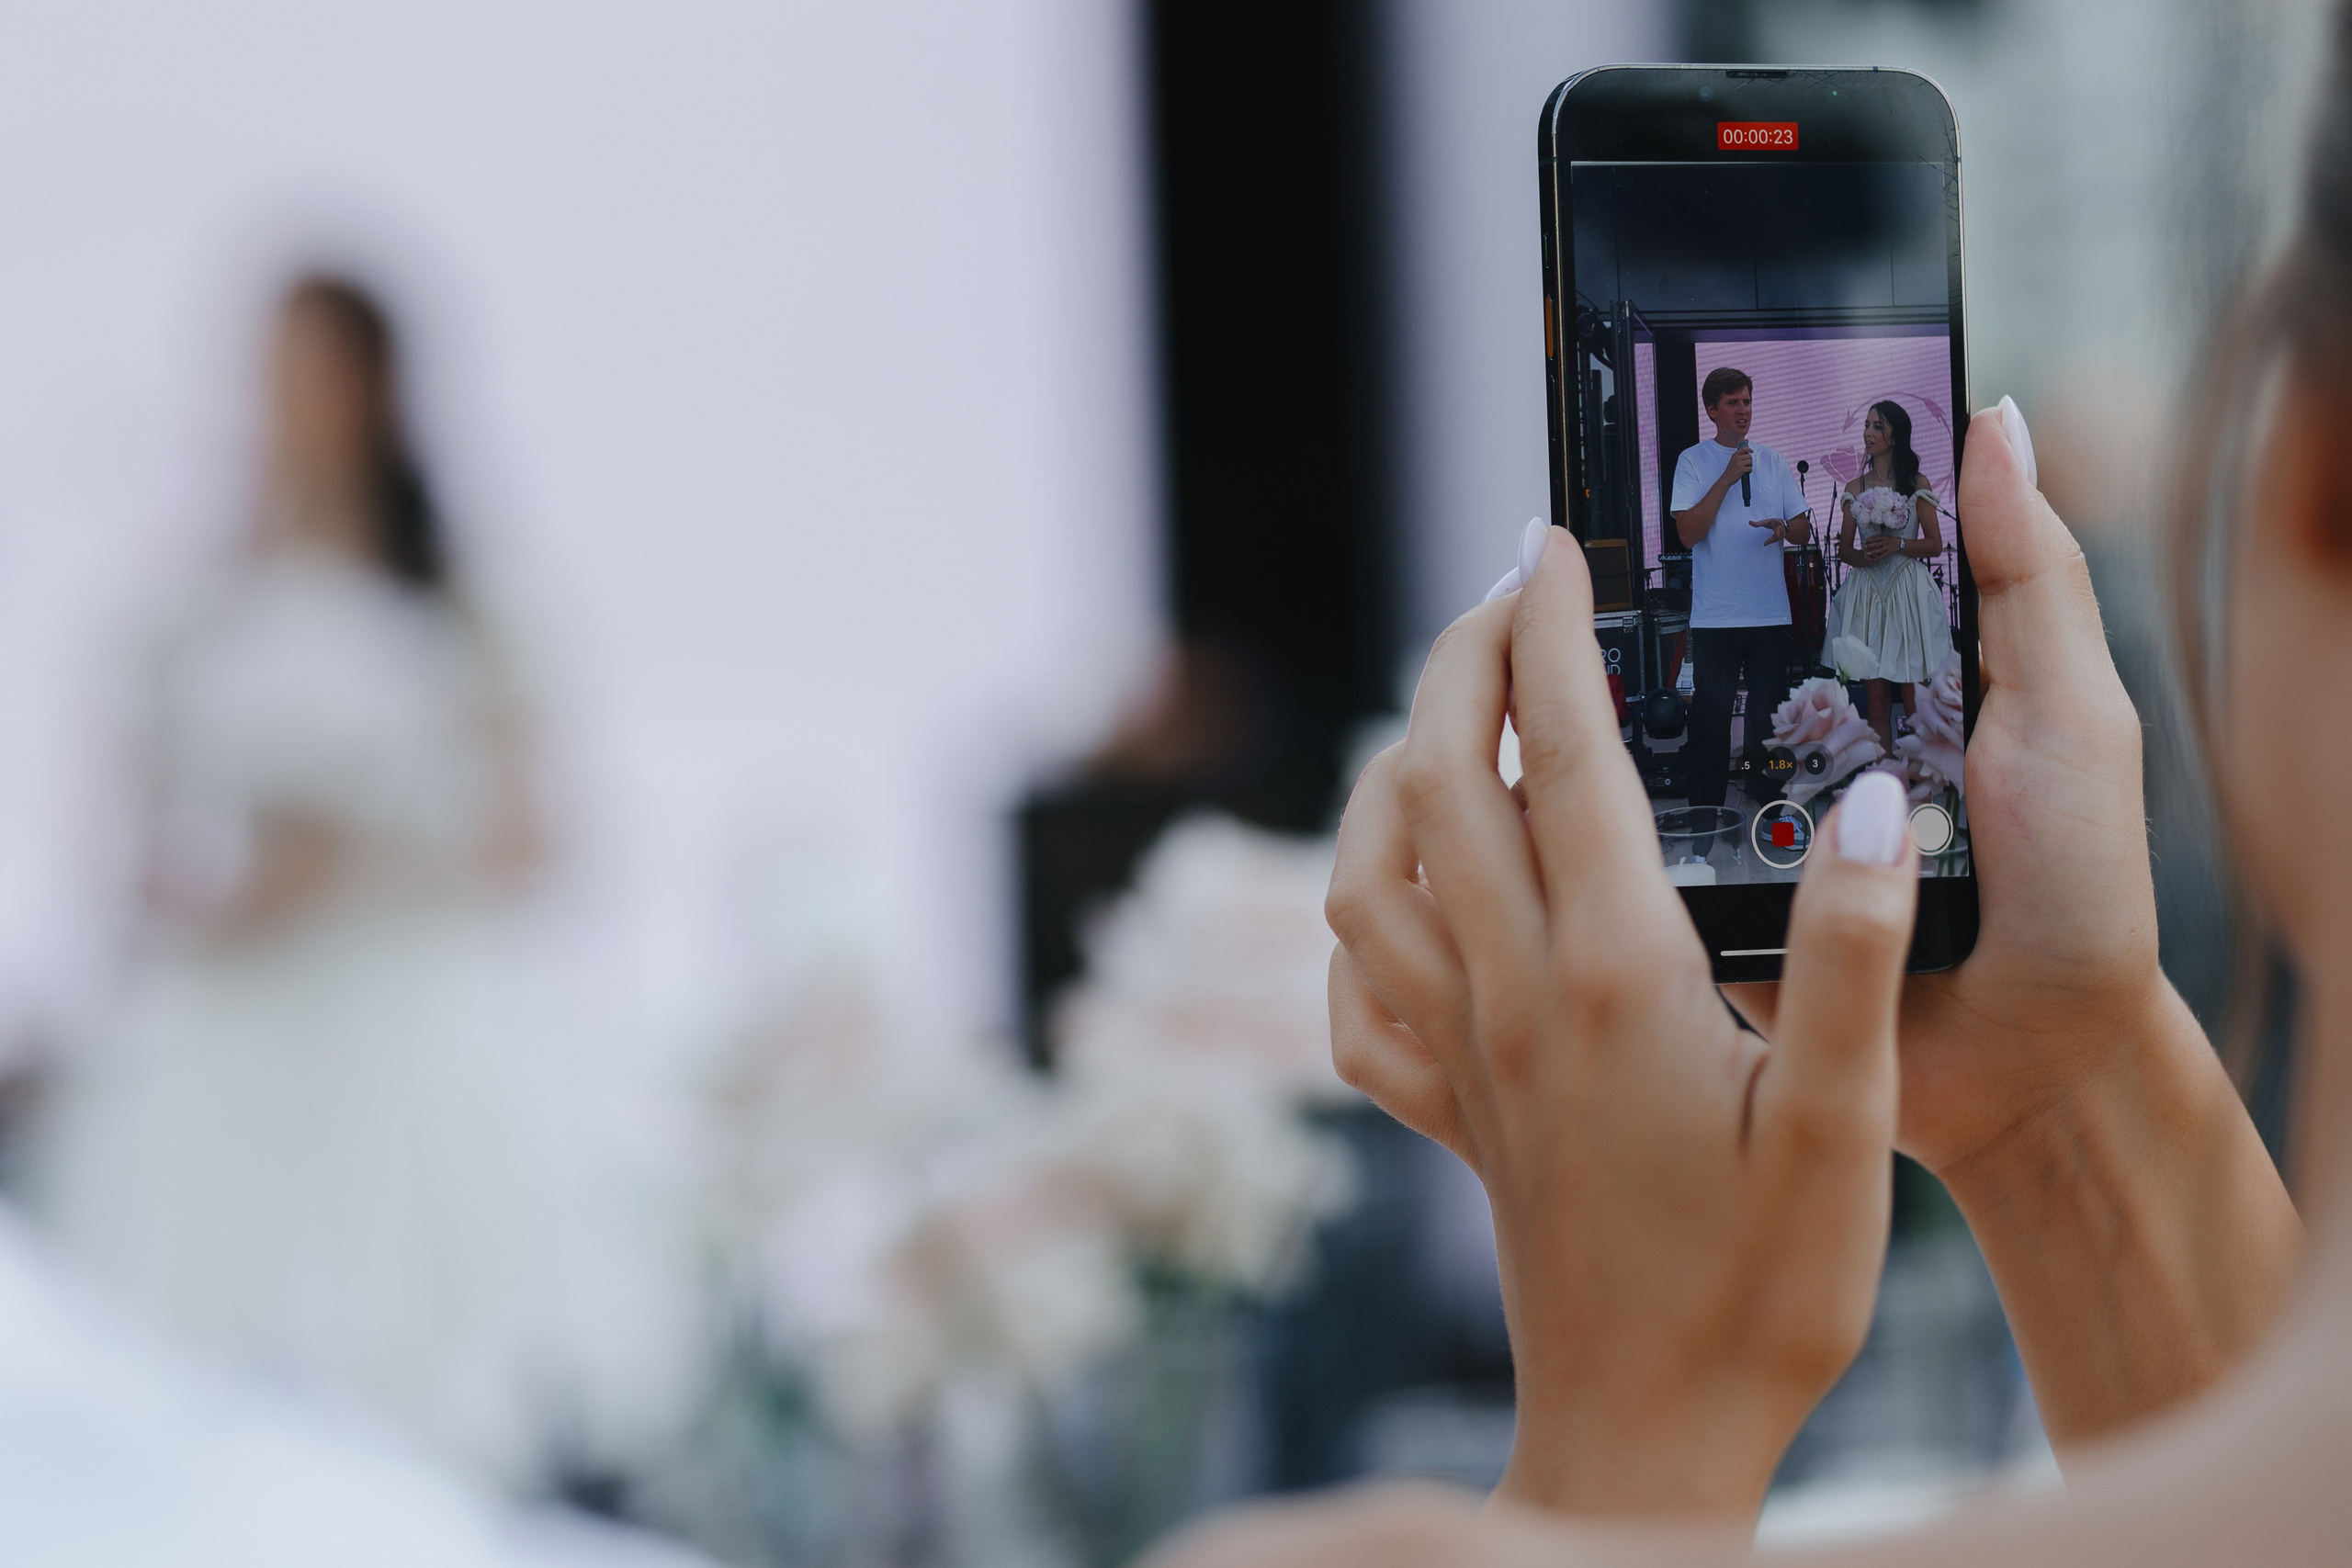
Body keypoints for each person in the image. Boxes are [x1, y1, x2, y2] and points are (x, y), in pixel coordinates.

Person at [1142, 6, 2352, 1559]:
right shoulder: (1725, 461)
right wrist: (2055, 1086)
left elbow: (1805, 534)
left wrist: (1636, 1431)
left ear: (2309, 477)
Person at [29, 276, 686, 1485]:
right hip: (228, 1042)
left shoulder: (458, 605)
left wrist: (354, 868)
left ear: (377, 385)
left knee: (427, 1377)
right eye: (272, 367)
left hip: (408, 1025)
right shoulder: (196, 606)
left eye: (316, 366)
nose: (289, 400)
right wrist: (225, 900)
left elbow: (537, 841)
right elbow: (131, 853)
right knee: (208, 1390)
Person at [1670, 369, 1813, 827]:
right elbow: (1689, 534)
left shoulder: (1773, 459)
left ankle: (1771, 809)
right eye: (1733, 402)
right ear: (1712, 410)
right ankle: (1705, 818)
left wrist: (1785, 528)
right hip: (1716, 617)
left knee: (1770, 722)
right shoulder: (1692, 461)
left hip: (1769, 614)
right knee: (1711, 721)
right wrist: (1728, 477)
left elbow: (1803, 529)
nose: (1743, 410)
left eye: (1747, 401)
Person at [1826, 400, 1956, 752]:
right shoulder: (1854, 487)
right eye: (1866, 425)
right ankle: (1883, 783)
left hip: (1906, 595)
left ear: (1896, 436)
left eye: (1877, 426)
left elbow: (1933, 544)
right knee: (1878, 702)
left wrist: (1897, 545)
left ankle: (1921, 786)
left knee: (1914, 700)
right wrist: (1864, 557)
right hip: (1869, 595)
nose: (1868, 433)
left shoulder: (1917, 482)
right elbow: (1845, 551)